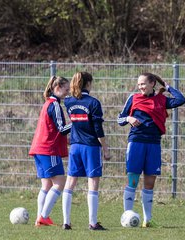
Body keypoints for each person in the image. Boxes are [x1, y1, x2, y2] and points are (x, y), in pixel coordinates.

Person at [117, 72, 185, 227]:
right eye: (139, 84)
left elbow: (181, 99)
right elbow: (119, 119)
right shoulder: (133, 98)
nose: (140, 87)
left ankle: (147, 220)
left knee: (149, 183)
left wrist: (167, 86)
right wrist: (129, 118)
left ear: (152, 83)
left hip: (154, 144)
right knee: (133, 181)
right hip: (136, 143)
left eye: (143, 83)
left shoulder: (162, 100)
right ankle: (127, 217)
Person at [62, 71, 111, 231]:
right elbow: (98, 128)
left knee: (70, 182)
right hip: (90, 146)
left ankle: (66, 222)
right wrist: (105, 147)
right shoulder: (93, 103)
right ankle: (92, 222)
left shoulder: (68, 101)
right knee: (93, 182)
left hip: (75, 146)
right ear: (88, 84)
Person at [29, 76, 71, 226]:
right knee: (60, 183)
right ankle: (44, 216)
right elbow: (62, 129)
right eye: (66, 90)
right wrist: (78, 122)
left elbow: (53, 129)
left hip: (38, 149)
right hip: (49, 150)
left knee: (46, 185)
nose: (68, 93)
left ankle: (39, 219)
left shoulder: (47, 103)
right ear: (57, 88)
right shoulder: (55, 105)